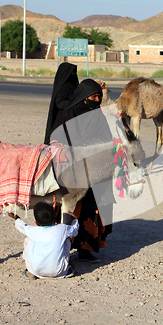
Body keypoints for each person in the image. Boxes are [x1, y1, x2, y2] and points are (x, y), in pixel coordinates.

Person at [46, 78, 115, 263]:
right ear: (84, 97)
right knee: (67, 209)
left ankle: (85, 249)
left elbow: (106, 140)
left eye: (99, 97)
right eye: (93, 97)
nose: (97, 101)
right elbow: (55, 142)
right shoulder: (67, 116)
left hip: (94, 171)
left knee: (93, 209)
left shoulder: (99, 117)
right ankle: (58, 247)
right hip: (70, 173)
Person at [10, 202, 79, 280]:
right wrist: (75, 220)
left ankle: (31, 272)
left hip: (36, 270)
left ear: (36, 222)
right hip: (59, 271)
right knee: (66, 239)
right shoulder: (63, 228)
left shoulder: (33, 230)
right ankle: (67, 270)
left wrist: (16, 218)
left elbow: (22, 226)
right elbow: (74, 230)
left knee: (29, 239)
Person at [44, 62, 79, 144]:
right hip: (63, 121)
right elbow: (60, 103)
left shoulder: (73, 86)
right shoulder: (63, 87)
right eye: (72, 73)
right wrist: (73, 105)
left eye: (74, 72)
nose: (74, 74)